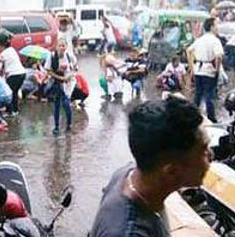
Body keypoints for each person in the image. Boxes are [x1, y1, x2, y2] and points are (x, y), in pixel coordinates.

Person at [90, 97, 211, 237]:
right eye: (203, 150)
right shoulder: (129, 232)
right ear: (171, 171)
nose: (211, 155)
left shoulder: (129, 174)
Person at [187, 17, 224, 123]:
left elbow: (189, 50)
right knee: (209, 95)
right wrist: (217, 69)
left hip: (198, 70)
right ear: (212, 27)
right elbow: (219, 56)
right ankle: (211, 118)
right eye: (216, 25)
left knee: (197, 94)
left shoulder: (200, 39)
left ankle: (192, 116)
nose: (218, 28)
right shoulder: (215, 40)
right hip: (209, 71)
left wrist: (191, 67)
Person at [45, 38, 77, 135]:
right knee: (57, 105)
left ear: (66, 47)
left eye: (63, 45)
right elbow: (48, 70)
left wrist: (70, 76)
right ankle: (57, 126)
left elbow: (75, 68)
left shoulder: (69, 56)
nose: (62, 48)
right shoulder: (51, 56)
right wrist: (60, 77)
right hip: (56, 83)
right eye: (60, 45)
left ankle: (68, 124)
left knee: (66, 104)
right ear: (56, 46)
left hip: (67, 83)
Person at [0, 34, 25, 117]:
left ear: (1, 45)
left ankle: (10, 111)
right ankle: (14, 110)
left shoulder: (3, 54)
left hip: (14, 75)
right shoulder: (12, 50)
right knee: (14, 93)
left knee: (8, 93)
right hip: (21, 73)